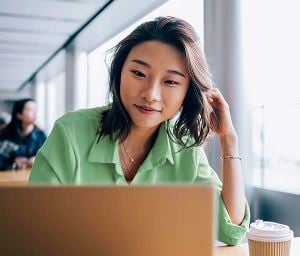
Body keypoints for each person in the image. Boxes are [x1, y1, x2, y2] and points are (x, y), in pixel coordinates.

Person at [29, 17, 250, 245]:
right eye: (139, 74)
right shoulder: (70, 133)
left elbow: (230, 230)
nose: (151, 94)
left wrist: (228, 139)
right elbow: (34, 231)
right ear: (119, 72)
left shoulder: (184, 147)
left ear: (188, 92)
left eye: (171, 82)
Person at [0, 98, 46, 170]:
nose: (35, 113)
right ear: (19, 115)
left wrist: (37, 160)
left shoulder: (41, 135)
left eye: (36, 110)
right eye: (31, 110)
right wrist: (13, 163)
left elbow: (49, 157)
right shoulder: (4, 134)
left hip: (33, 178)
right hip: (8, 177)